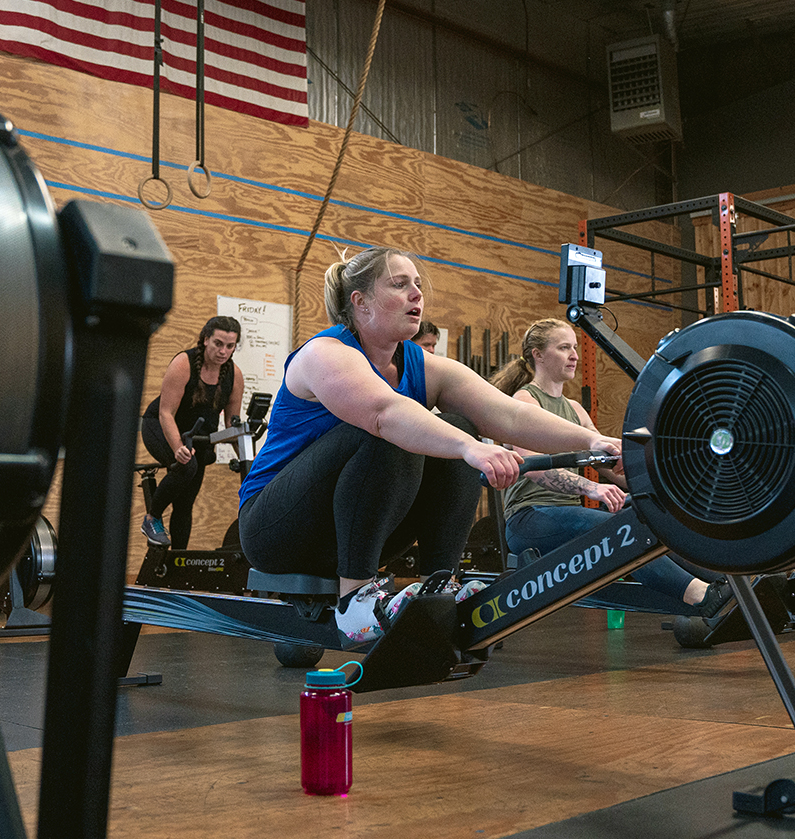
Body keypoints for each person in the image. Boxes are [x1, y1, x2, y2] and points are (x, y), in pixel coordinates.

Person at [238, 247, 618, 643]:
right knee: (396, 430)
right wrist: (470, 448)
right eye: (400, 285)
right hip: (276, 531)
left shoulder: (422, 364)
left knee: (456, 425)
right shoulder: (324, 353)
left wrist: (594, 439)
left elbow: (509, 415)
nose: (417, 294)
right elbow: (384, 412)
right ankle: (356, 603)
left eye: (418, 285)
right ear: (361, 302)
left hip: (351, 531)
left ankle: (440, 584)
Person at [489, 319, 722, 619]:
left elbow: (612, 464)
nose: (574, 355)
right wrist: (592, 488)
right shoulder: (524, 400)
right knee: (621, 529)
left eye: (574, 347)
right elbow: (533, 469)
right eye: (564, 348)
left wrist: (664, 485)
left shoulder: (574, 409)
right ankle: (701, 597)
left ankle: (725, 583)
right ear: (538, 355)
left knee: (654, 515)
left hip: (566, 516)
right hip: (530, 519)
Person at [140, 315, 246, 549]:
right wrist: (177, 447)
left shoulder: (234, 376)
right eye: (218, 343)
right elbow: (166, 413)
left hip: (197, 437)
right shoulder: (183, 363)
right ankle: (151, 518)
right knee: (188, 466)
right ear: (205, 340)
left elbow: (231, 425)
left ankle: (177, 564)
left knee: (185, 503)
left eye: (230, 346)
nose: (223, 351)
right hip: (159, 426)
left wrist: (248, 460)